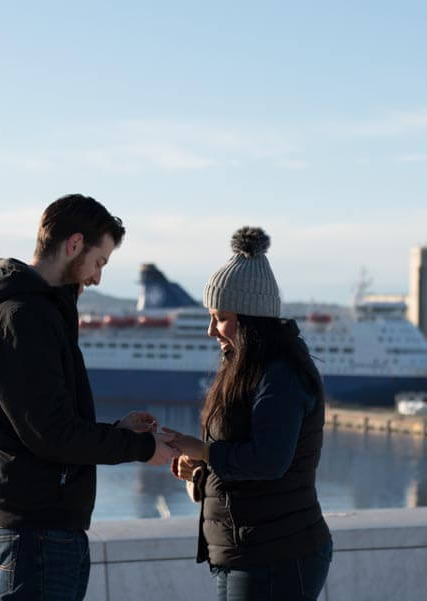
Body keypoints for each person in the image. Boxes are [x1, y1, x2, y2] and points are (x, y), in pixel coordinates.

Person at [0, 194, 178, 601]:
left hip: (42, 524)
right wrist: (141, 447)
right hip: (37, 529)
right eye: (99, 261)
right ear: (74, 244)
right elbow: (51, 434)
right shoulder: (23, 317)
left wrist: (115, 431)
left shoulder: (36, 311)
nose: (97, 278)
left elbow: (47, 424)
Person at [164, 226, 333, 601]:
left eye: (220, 317)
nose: (211, 331)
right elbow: (246, 463)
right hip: (243, 549)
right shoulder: (245, 369)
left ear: (250, 318)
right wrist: (199, 473)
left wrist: (205, 450)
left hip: (276, 552)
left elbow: (270, 461)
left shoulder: (281, 376)